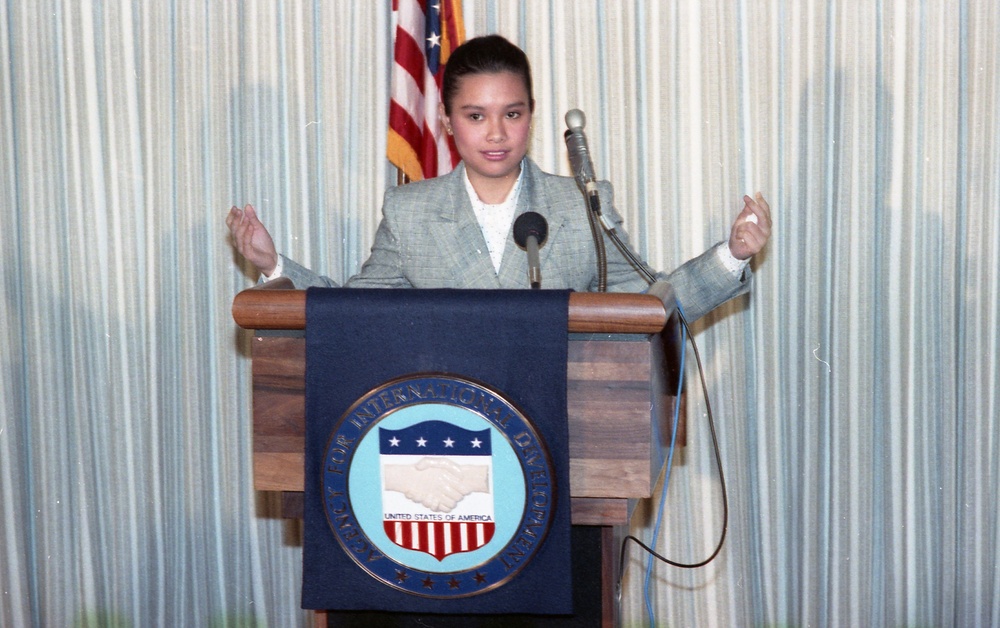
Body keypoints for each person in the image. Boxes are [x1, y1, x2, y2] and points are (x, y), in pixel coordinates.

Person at [227, 34, 771, 323]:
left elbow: (652, 307)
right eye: (475, 115)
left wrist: (731, 255)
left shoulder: (579, 202)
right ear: (446, 122)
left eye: (511, 114)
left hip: (565, 437)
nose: (495, 134)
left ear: (532, 115)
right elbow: (353, 313)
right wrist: (273, 265)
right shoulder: (410, 211)